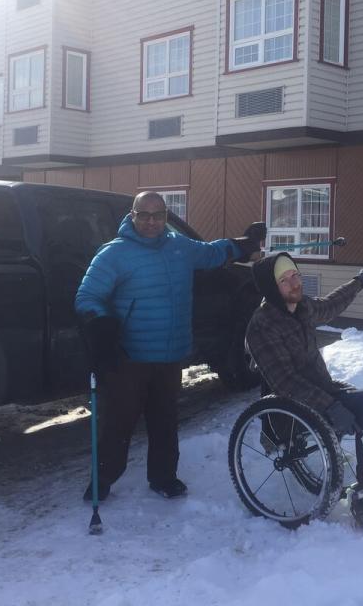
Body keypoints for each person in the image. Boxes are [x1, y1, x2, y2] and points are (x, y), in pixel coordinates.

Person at [75, 191, 265, 501]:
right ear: (133, 216)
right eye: (144, 215)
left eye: (158, 215)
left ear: (166, 216)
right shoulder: (114, 254)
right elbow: (87, 296)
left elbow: (210, 253)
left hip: (171, 354)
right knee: (118, 424)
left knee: (164, 421)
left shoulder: (179, 246)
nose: (151, 222)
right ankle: (103, 479)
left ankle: (163, 477)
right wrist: (100, 322)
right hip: (129, 357)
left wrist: (243, 245)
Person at [245, 252, 363, 508]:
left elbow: (331, 304)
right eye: (285, 280)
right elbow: (286, 382)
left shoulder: (301, 307)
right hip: (292, 407)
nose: (295, 283)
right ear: (272, 288)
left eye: (295, 275)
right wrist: (330, 405)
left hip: (320, 390)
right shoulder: (262, 326)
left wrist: (359, 280)